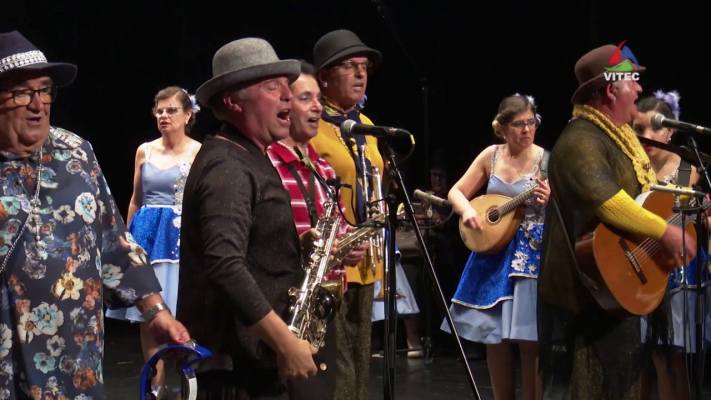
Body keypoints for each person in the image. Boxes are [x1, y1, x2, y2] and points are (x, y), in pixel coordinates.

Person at [0, 30, 189, 398]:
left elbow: (114, 242)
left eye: (44, 90)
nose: (37, 104)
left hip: (74, 363)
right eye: (21, 92)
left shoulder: (75, 153)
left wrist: (156, 311)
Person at [538, 44, 697, 400]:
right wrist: (665, 233)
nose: (639, 89)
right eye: (632, 81)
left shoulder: (619, 138)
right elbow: (611, 204)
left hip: (609, 294)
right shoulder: (580, 140)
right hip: (580, 301)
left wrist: (684, 210)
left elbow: (642, 199)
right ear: (611, 89)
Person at [177, 37, 318, 399]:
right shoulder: (227, 166)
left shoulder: (247, 156)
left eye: (287, 85)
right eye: (272, 87)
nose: (287, 96)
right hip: (235, 374)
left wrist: (291, 246)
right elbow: (224, 264)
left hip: (251, 366)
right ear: (232, 102)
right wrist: (286, 343)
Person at [266, 60, 368, 399]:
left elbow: (336, 227)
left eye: (318, 99)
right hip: (282, 306)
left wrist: (348, 248)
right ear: (284, 105)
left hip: (321, 309)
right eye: (305, 98)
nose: (316, 107)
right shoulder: (267, 163)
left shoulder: (324, 168)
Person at [442, 94, 550, 400]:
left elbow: (566, 206)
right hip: (493, 253)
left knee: (530, 341)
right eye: (518, 124)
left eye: (531, 122)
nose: (527, 130)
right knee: (495, 338)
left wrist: (549, 199)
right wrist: (467, 210)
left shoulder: (546, 161)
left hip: (529, 255)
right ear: (501, 128)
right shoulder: (490, 156)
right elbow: (456, 191)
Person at [106, 86, 201, 396]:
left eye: (171, 110)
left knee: (182, 313)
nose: (164, 116)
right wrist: (126, 239)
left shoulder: (199, 151)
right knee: (150, 317)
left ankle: (189, 389)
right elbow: (136, 199)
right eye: (159, 111)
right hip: (147, 236)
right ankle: (154, 390)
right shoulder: (144, 150)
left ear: (188, 115)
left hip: (179, 238)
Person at [310, 29, 384, 400]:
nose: (360, 74)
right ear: (324, 77)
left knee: (359, 356)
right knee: (336, 360)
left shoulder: (365, 125)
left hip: (366, 257)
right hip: (331, 257)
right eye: (350, 66)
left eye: (364, 67)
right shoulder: (311, 126)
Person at [633, 90, 709, 400]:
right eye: (639, 128)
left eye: (656, 127)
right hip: (641, 265)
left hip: (677, 268)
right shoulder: (633, 166)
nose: (648, 135)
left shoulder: (686, 170)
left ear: (671, 131)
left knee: (674, 356)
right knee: (650, 357)